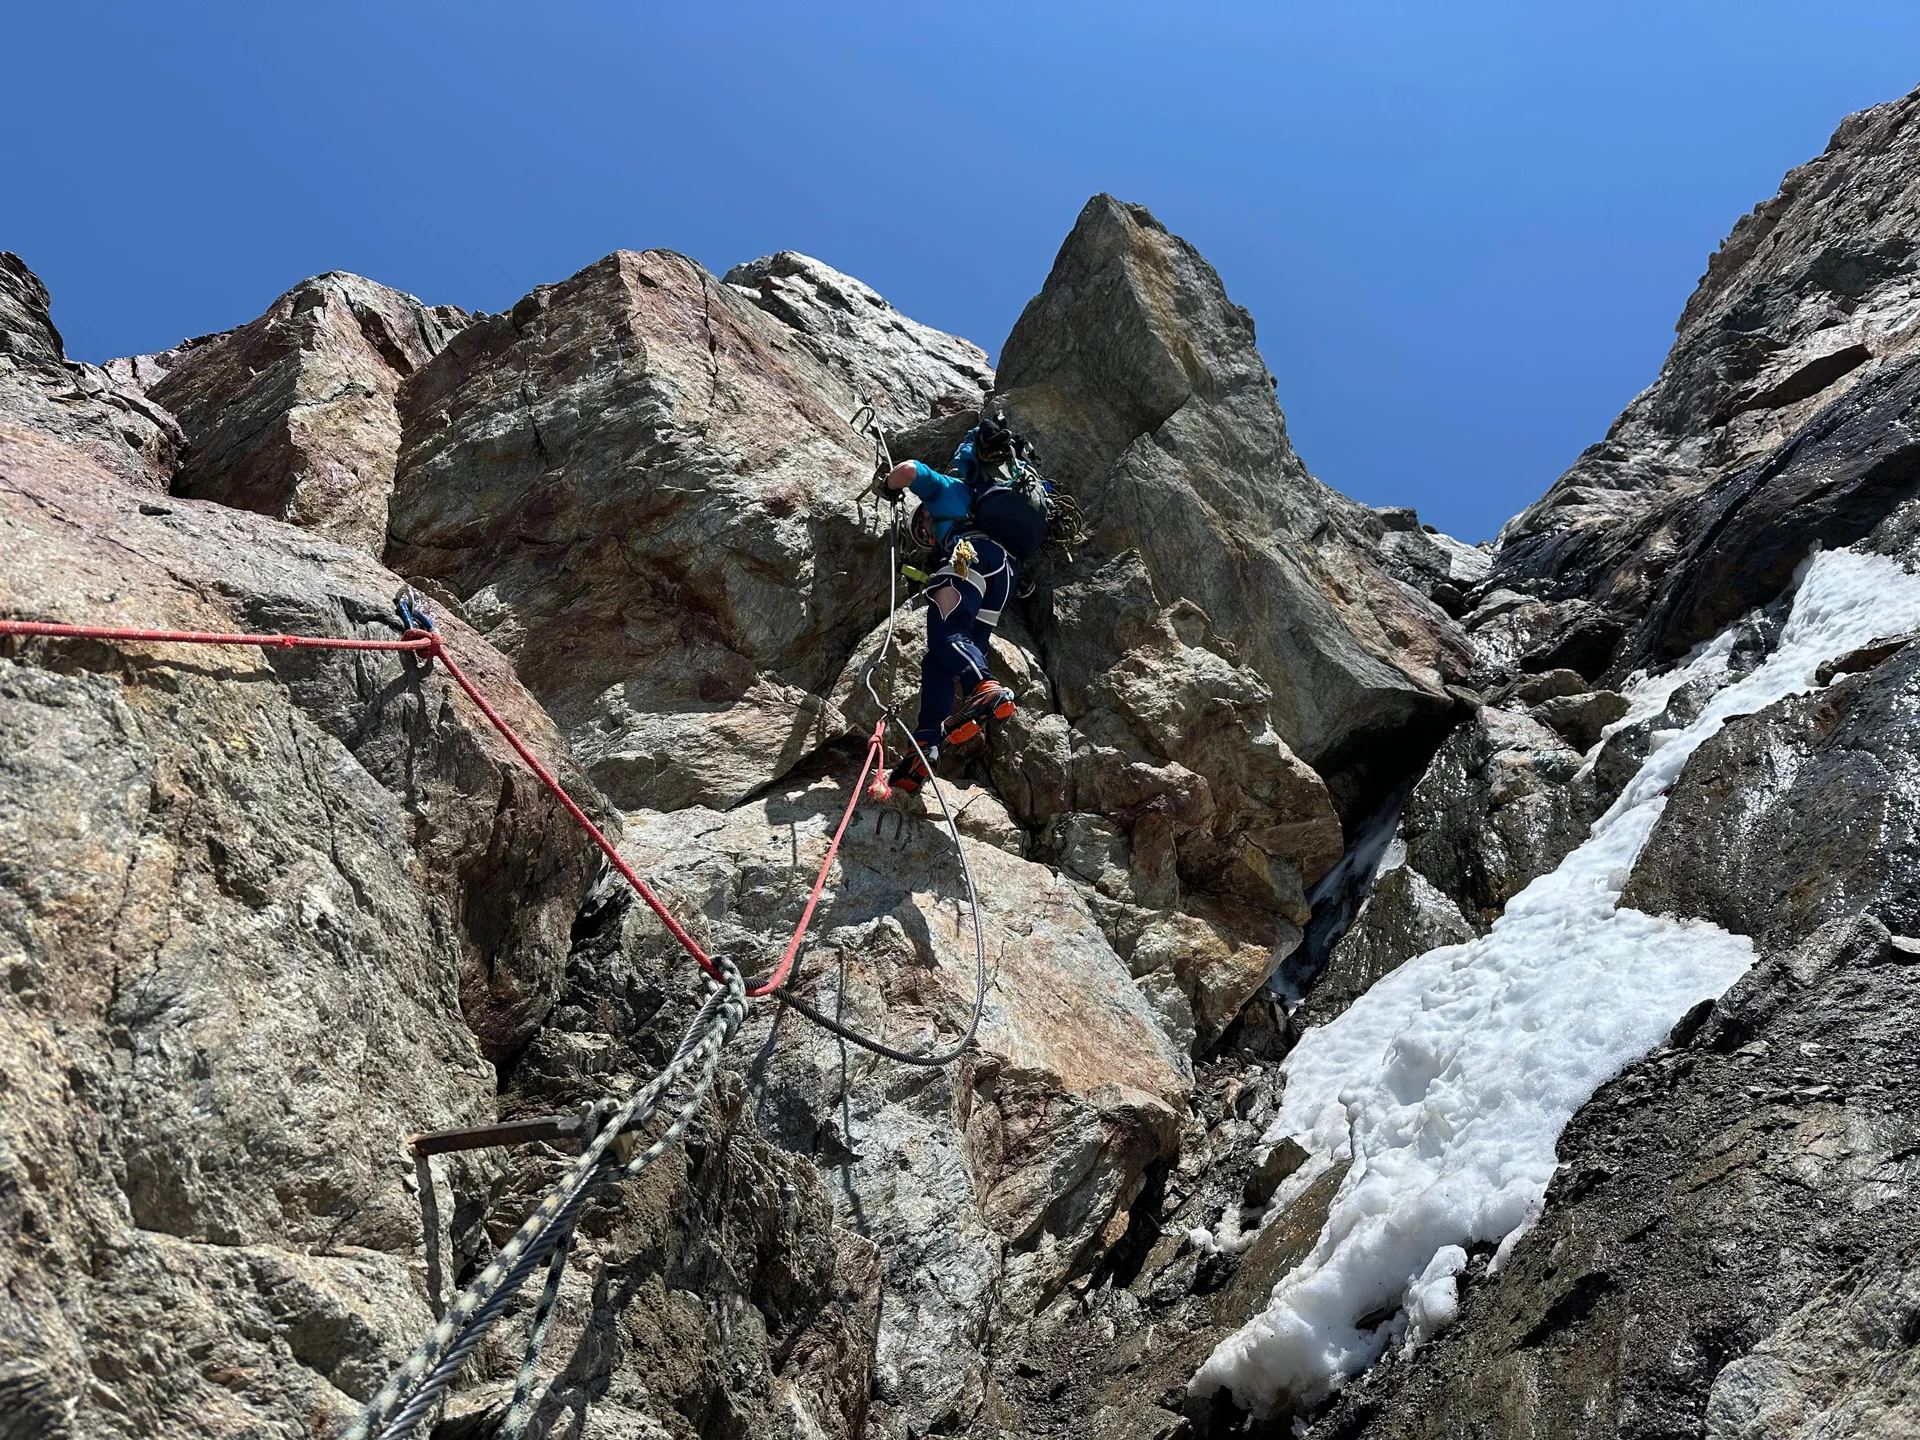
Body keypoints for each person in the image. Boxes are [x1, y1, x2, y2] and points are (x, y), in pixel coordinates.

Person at [875, 416, 1023, 795]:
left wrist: (887, 488)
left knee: (945, 634)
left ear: (924, 512)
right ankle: (926, 739)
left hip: (967, 554)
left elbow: (907, 470)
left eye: (922, 530)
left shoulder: (946, 489)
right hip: (1004, 575)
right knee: (940, 658)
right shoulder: (979, 500)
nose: (926, 537)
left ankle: (984, 687)